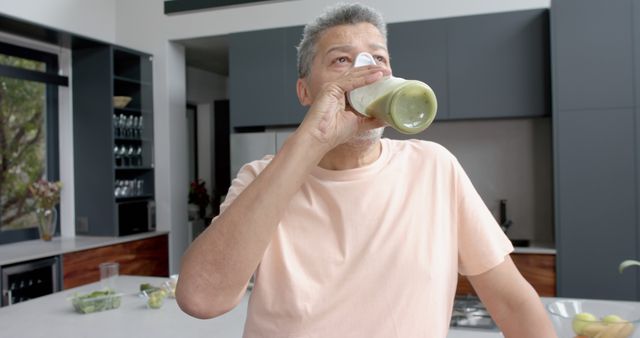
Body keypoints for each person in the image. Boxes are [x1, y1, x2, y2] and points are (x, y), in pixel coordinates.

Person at [176, 3, 557, 338]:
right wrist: (312, 141)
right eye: (342, 60)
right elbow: (201, 298)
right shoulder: (262, 178)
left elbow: (513, 303)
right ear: (305, 92)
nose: (368, 71)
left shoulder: (434, 167)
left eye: (378, 59)